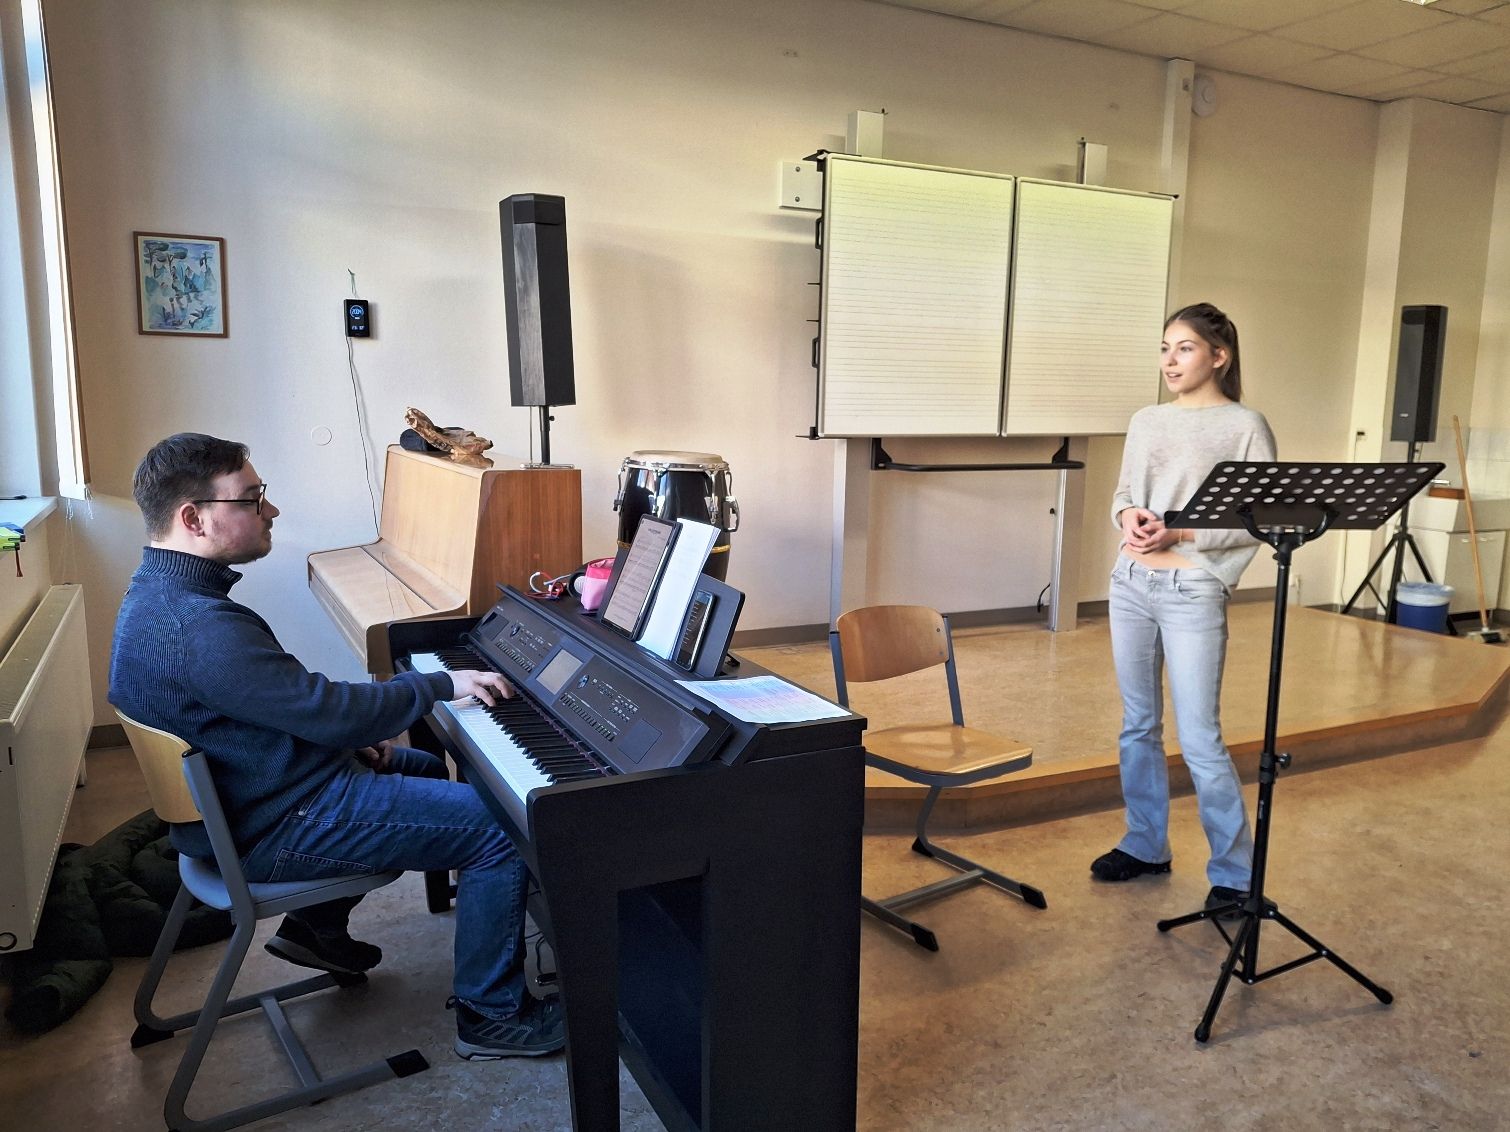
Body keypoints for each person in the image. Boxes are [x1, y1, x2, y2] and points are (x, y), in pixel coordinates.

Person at [108, 432, 564, 1059]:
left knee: (422, 765)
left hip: (241, 802)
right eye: (252, 498)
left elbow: (269, 708)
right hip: (269, 825)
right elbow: (328, 711)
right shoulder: (201, 629)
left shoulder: (158, 594)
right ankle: (492, 1016)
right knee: (501, 828)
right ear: (193, 518)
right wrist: (438, 684)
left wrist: (339, 748)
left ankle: (316, 929)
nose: (271, 510)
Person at [1090, 303, 1277, 914]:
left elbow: (1259, 517)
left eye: (1185, 348)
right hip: (1130, 582)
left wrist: (1181, 532)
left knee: (1200, 738)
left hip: (1194, 588)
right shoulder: (1147, 420)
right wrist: (1129, 517)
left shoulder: (1244, 425)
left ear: (1219, 356)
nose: (1170, 361)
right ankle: (1145, 844)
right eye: (1165, 348)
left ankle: (1234, 875)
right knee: (1137, 725)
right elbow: (1125, 492)